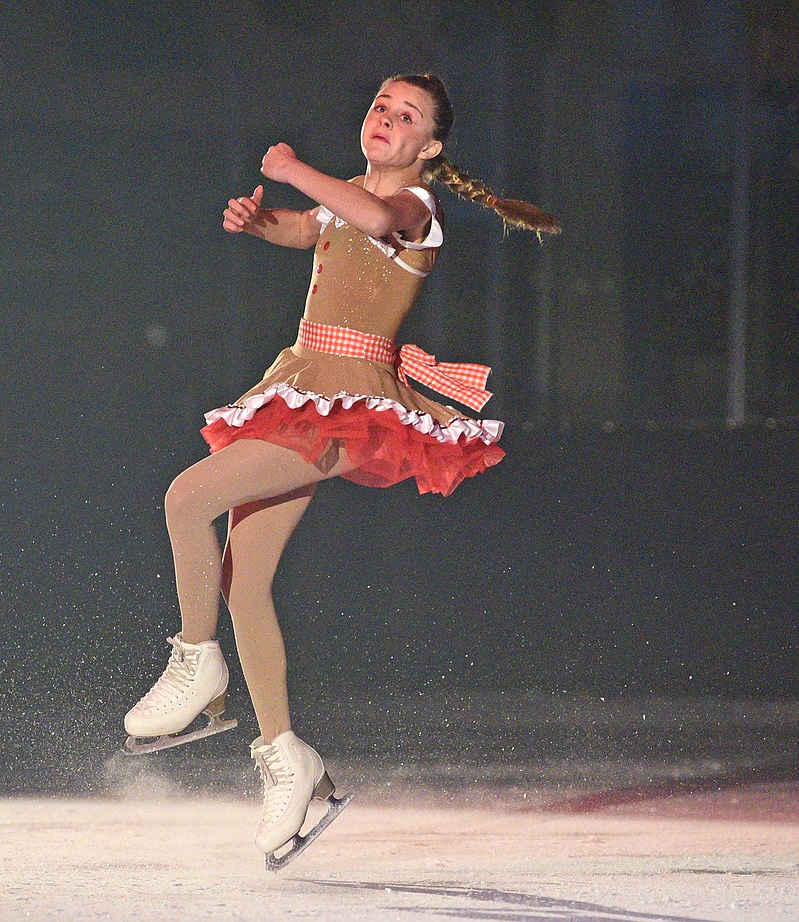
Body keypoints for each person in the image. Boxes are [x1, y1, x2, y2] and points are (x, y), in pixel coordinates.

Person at [123, 73, 560, 867]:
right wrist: (263, 221)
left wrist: (293, 170)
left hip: (347, 404)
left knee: (185, 500)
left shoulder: (416, 212)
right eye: (380, 105)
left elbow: (372, 217)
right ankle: (289, 759)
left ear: (429, 147)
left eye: (406, 115)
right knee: (244, 584)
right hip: (301, 387)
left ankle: (196, 665)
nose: (385, 117)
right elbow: (314, 228)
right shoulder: (348, 194)